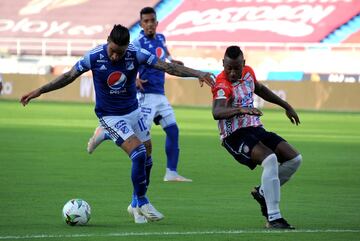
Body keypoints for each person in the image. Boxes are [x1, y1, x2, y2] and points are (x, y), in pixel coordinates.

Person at [20, 24, 214, 224]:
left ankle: (134, 204)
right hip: (110, 115)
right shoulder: (94, 57)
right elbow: (69, 76)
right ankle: (142, 200)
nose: (115, 57)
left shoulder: (135, 54)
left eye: (119, 53)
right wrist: (39, 91)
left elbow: (167, 66)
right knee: (137, 153)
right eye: (113, 51)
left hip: (133, 111)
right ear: (107, 41)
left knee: (147, 157)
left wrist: (198, 73)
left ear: (127, 47)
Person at [87, 7, 192, 182]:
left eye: (152, 20)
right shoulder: (136, 43)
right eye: (146, 21)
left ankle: (171, 172)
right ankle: (105, 133)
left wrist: (172, 62)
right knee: (140, 141)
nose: (150, 24)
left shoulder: (161, 38)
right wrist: (134, 78)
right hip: (145, 95)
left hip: (160, 93)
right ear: (141, 24)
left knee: (173, 130)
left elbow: (162, 58)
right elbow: (126, 61)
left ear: (157, 22)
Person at [211, 46, 302, 229]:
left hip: (254, 127)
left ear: (244, 64)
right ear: (223, 64)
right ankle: (274, 217)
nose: (233, 72)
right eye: (229, 68)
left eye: (237, 68)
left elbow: (260, 89)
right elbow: (217, 111)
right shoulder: (222, 83)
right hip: (233, 135)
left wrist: (285, 105)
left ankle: (262, 193)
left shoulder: (249, 73)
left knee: (294, 159)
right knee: (270, 159)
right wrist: (240, 109)